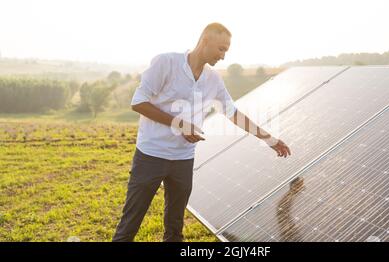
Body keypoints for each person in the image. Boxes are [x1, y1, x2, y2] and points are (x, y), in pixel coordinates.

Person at [112, 22, 291, 242]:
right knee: (130, 225)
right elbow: (138, 102)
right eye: (221, 49)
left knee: (175, 230)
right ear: (205, 41)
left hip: (183, 159)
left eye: (226, 50)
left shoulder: (213, 79)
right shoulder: (165, 62)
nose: (224, 56)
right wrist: (179, 124)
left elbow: (233, 113)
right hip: (151, 156)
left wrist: (269, 139)